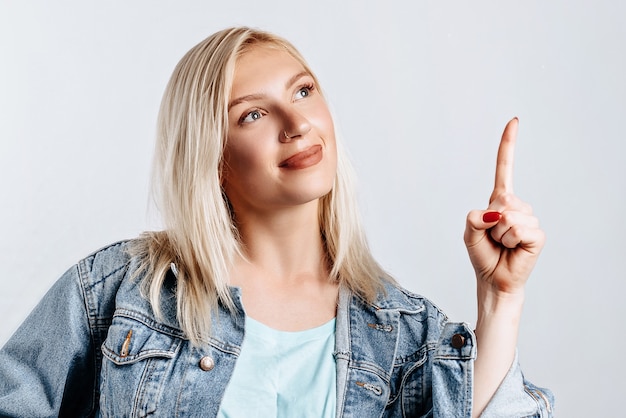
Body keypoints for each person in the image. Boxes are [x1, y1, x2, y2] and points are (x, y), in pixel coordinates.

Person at [0, 27, 553, 417]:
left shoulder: (407, 335)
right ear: (211, 158)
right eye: (253, 114)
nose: (297, 124)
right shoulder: (119, 291)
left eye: (303, 91)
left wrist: (500, 298)